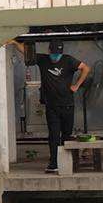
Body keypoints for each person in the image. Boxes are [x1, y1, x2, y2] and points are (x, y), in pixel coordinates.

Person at [30, 39, 90, 173]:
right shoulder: (43, 60)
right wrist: (14, 42)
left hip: (67, 105)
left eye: (58, 54)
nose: (56, 56)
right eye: (54, 53)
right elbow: (26, 51)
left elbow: (86, 68)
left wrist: (77, 85)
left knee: (67, 135)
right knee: (53, 135)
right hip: (51, 106)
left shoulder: (68, 60)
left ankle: (67, 162)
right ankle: (54, 163)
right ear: (49, 51)